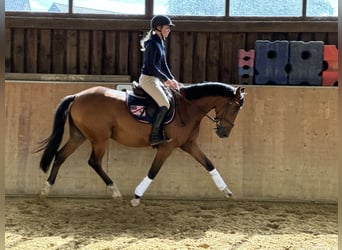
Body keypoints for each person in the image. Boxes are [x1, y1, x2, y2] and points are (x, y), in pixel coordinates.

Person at [139, 15, 180, 146]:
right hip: (148, 80)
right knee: (165, 104)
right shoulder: (152, 44)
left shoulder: (160, 42)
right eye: (167, 27)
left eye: (169, 28)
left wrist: (172, 78)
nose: (169, 30)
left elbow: (163, 65)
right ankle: (155, 135)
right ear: (158, 27)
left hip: (155, 80)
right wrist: (165, 79)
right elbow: (152, 66)